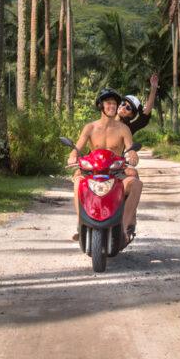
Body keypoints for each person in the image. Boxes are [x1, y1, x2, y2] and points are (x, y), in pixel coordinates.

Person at [67, 88, 142, 244]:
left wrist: (133, 156)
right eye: (108, 103)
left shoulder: (123, 129)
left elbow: (130, 149)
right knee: (78, 181)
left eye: (114, 103)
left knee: (136, 184)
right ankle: (80, 224)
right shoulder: (90, 127)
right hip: (93, 171)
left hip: (116, 172)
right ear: (101, 105)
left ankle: (123, 228)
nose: (112, 106)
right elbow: (78, 147)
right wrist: (73, 155)